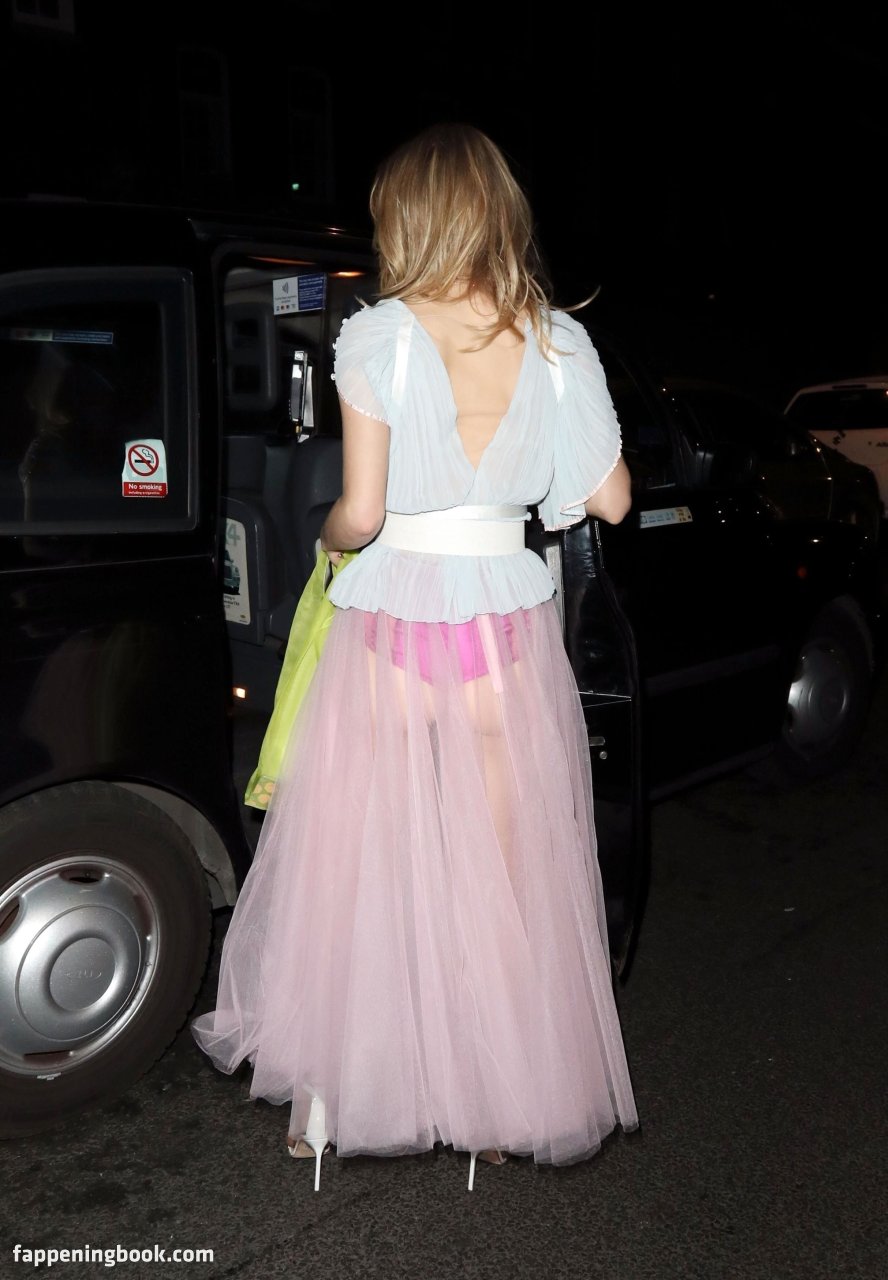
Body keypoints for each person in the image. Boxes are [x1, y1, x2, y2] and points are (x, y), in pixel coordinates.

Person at [192, 121, 638, 1191]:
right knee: (503, 872)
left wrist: (326, 541)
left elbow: (360, 511)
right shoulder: (561, 343)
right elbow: (614, 500)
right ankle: (498, 1106)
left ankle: (326, 1103)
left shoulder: (379, 338)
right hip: (504, 627)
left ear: (408, 220)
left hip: (393, 622)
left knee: (362, 867)